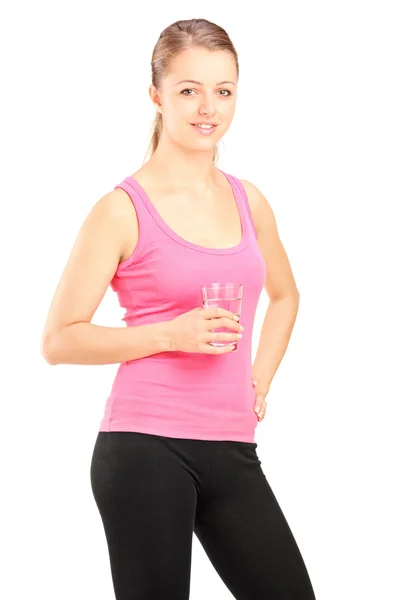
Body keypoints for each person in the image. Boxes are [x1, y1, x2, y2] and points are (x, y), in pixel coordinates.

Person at [41, 17, 316, 600]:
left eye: (224, 90)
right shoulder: (120, 209)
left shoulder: (249, 200)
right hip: (144, 446)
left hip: (234, 446)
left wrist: (259, 378)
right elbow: (59, 340)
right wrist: (172, 334)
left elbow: (286, 294)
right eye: (188, 90)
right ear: (157, 96)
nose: (207, 108)